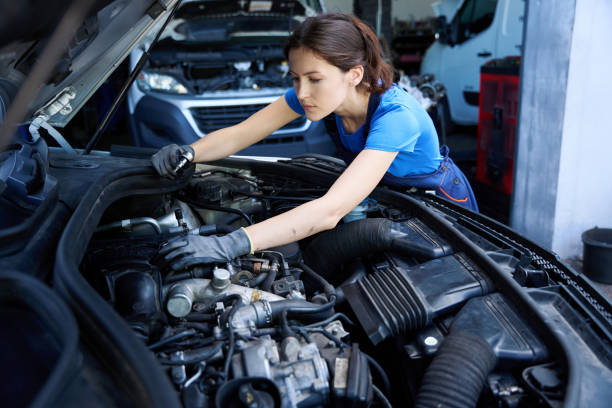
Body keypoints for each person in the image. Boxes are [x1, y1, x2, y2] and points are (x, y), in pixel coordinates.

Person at [151, 13, 478, 270]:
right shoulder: (322, 96)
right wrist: (190, 152)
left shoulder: (396, 117)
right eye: (296, 78)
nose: (302, 92)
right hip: (389, 198)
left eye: (314, 79)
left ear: (354, 74)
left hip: (439, 207)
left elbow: (329, 212)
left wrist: (228, 245)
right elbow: (242, 133)